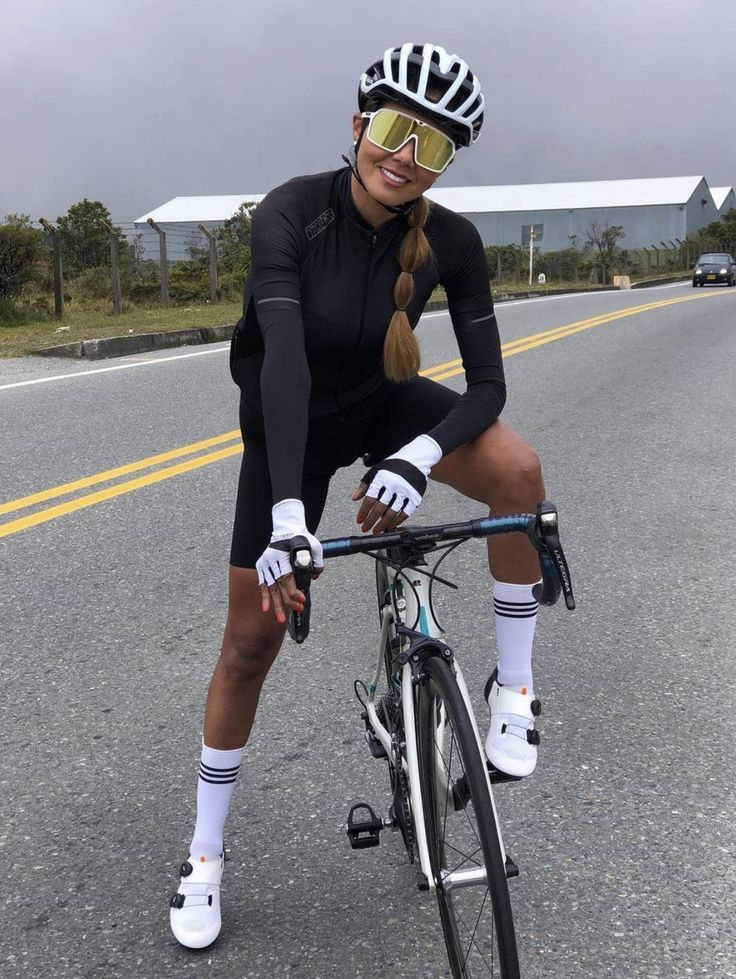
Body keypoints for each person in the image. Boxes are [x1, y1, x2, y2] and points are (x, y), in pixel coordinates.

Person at [170, 42, 547, 950]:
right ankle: (205, 857)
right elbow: (286, 362)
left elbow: (488, 387)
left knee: (519, 472)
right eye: (392, 128)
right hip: (288, 426)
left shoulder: (453, 240)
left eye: (434, 145)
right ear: (359, 125)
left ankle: (515, 695)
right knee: (249, 643)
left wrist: (419, 455)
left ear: (446, 162)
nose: (405, 155)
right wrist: (290, 518)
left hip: (383, 407)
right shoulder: (292, 213)